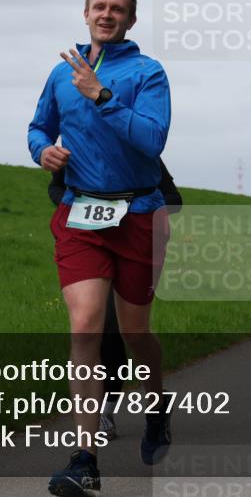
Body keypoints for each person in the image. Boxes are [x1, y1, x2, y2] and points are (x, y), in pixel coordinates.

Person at [28, 0, 171, 496]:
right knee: (86, 325)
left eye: (117, 8)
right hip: (79, 214)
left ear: (131, 19)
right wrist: (42, 151)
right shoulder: (60, 74)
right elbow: (37, 127)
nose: (106, 14)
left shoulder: (149, 73)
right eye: (98, 6)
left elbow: (152, 138)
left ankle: (156, 409)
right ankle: (85, 458)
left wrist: (103, 93)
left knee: (135, 335)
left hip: (137, 215)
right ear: (85, 13)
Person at [47, 161, 182, 440]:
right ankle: (102, 418)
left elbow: (173, 198)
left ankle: (157, 402)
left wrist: (137, 209)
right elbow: (56, 186)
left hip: (133, 240)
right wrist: (74, 204)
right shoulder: (77, 144)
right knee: (95, 328)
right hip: (90, 241)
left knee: (132, 332)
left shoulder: (138, 145)